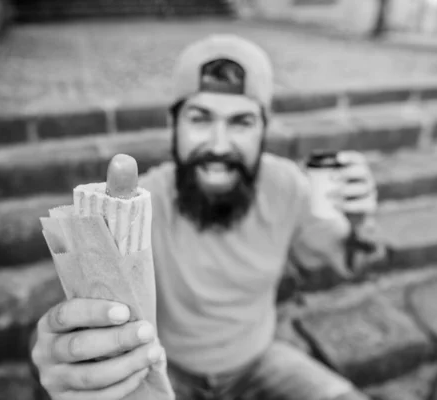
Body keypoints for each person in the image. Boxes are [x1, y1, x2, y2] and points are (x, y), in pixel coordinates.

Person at [30, 34, 383, 400]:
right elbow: (82, 308)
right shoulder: (137, 208)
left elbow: (344, 257)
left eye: (241, 122)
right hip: (166, 368)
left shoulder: (288, 185)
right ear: (174, 123)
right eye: (200, 119)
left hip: (260, 361)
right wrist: (63, 354)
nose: (218, 145)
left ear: (264, 127)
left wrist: (359, 222)